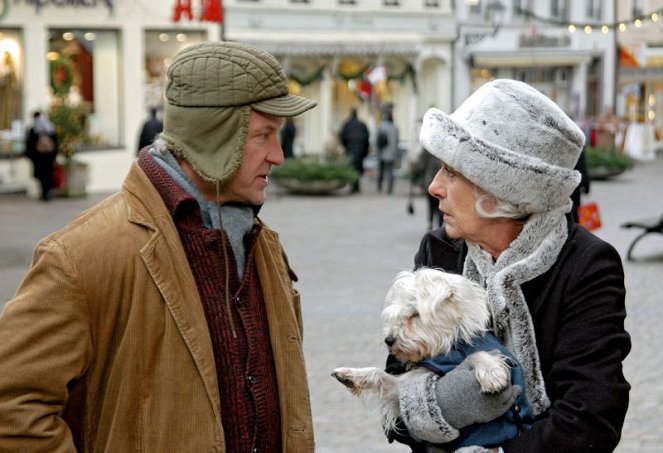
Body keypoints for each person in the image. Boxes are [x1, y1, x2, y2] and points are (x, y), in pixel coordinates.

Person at [0, 41, 317, 452]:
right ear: (212, 138)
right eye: (263, 136)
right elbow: (12, 409)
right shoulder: (81, 256)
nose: (278, 156)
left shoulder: (263, 245)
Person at [387, 79, 630, 452]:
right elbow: (400, 386)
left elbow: (590, 417)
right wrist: (443, 406)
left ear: (501, 190)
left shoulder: (586, 264)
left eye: (452, 172)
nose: (435, 186)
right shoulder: (441, 251)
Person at [25, 110, 59, 201]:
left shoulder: (34, 129)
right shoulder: (50, 128)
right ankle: (46, 193)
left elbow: (30, 144)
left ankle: (45, 193)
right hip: (47, 156)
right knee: (47, 175)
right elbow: (56, 142)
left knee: (43, 176)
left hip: (40, 157)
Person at [339, 107, 370, 192]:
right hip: (360, 148)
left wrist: (345, 147)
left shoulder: (347, 124)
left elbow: (342, 136)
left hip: (351, 147)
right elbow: (367, 138)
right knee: (358, 167)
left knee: (352, 166)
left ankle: (354, 184)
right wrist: (365, 150)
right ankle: (355, 184)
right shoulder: (362, 124)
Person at [376, 105, 400, 194]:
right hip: (392, 153)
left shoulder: (382, 126)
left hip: (383, 152)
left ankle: (379, 186)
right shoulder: (395, 128)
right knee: (390, 171)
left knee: (381, 171)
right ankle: (390, 187)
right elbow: (397, 141)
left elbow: (378, 139)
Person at [570, 147, 590, 223]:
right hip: (576, 183)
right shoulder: (578, 143)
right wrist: (586, 185)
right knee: (575, 209)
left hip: (565, 183)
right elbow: (582, 165)